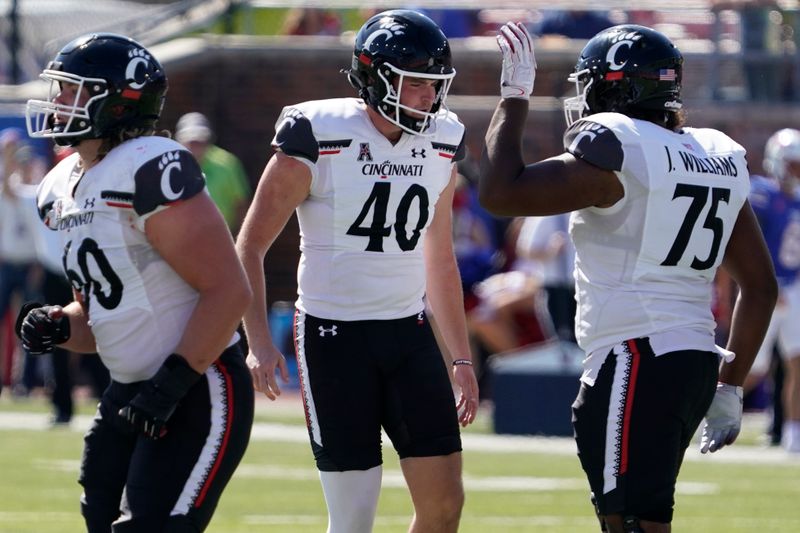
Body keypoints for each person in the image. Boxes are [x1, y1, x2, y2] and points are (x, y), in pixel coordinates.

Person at [480, 22, 777, 532]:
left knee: (630, 524)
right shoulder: (714, 154)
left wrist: (513, 99)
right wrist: (728, 387)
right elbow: (761, 284)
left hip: (636, 354)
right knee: (641, 519)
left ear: (613, 86)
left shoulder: (620, 147)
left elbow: (501, 193)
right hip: (692, 360)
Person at [236, 10, 479, 533]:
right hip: (334, 338)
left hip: (408, 334)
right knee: (352, 519)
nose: (428, 98)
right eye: (416, 83)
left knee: (443, 509)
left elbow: (438, 256)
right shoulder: (317, 133)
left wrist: (459, 356)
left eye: (434, 85)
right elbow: (250, 246)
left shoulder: (443, 138)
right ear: (376, 76)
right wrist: (257, 339)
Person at [18, 33, 254, 531]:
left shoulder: (150, 167)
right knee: (100, 518)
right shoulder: (61, 186)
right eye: (60, 89)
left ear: (118, 99)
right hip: (128, 388)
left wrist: (170, 386)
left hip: (196, 384)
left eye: (72, 90)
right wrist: (62, 326)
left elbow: (229, 290)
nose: (59, 102)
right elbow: (103, 316)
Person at [746, 128, 800, 453]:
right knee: (752, 369)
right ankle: (699, 417)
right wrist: (764, 284)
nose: (797, 172)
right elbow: (746, 249)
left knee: (798, 361)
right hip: (764, 289)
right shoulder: (761, 194)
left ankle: (794, 435)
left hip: (794, 288)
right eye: (793, 165)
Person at [174, 112, 251, 235]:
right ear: (179, 141)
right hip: (179, 240)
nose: (196, 146)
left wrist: (239, 239)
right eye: (191, 142)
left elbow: (240, 204)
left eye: (200, 141)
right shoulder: (169, 167)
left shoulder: (227, 164)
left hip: (223, 238)